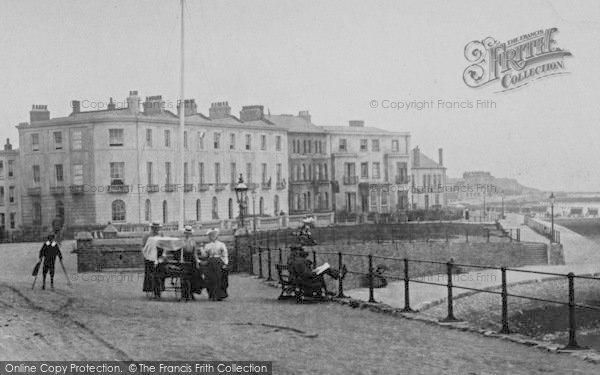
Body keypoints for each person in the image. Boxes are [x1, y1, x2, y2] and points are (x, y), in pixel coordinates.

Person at [202, 228, 228, 301]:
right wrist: (202, 250)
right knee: (210, 278)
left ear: (216, 236)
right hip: (210, 262)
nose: (212, 237)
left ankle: (219, 295)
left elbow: (225, 254)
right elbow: (204, 255)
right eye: (210, 235)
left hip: (218, 262)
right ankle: (211, 294)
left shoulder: (221, 244)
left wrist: (225, 263)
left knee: (218, 278)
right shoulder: (207, 245)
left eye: (214, 235)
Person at [179, 225, 204, 300]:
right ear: (184, 233)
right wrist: (181, 260)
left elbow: (195, 252)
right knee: (184, 276)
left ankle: (192, 293)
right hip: (184, 258)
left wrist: (197, 261)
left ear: (191, 234)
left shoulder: (193, 241)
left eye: (189, 233)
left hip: (192, 259)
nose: (187, 234)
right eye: (186, 233)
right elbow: (181, 252)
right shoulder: (182, 241)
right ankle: (184, 294)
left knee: (194, 276)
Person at [141, 221, 164, 298]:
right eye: (155, 228)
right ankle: (150, 289)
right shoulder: (147, 235)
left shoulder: (161, 235)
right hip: (149, 256)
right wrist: (145, 255)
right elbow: (144, 246)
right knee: (149, 274)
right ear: (152, 228)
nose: (156, 229)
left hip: (158, 256)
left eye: (157, 228)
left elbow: (163, 245)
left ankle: (158, 290)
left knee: (159, 274)